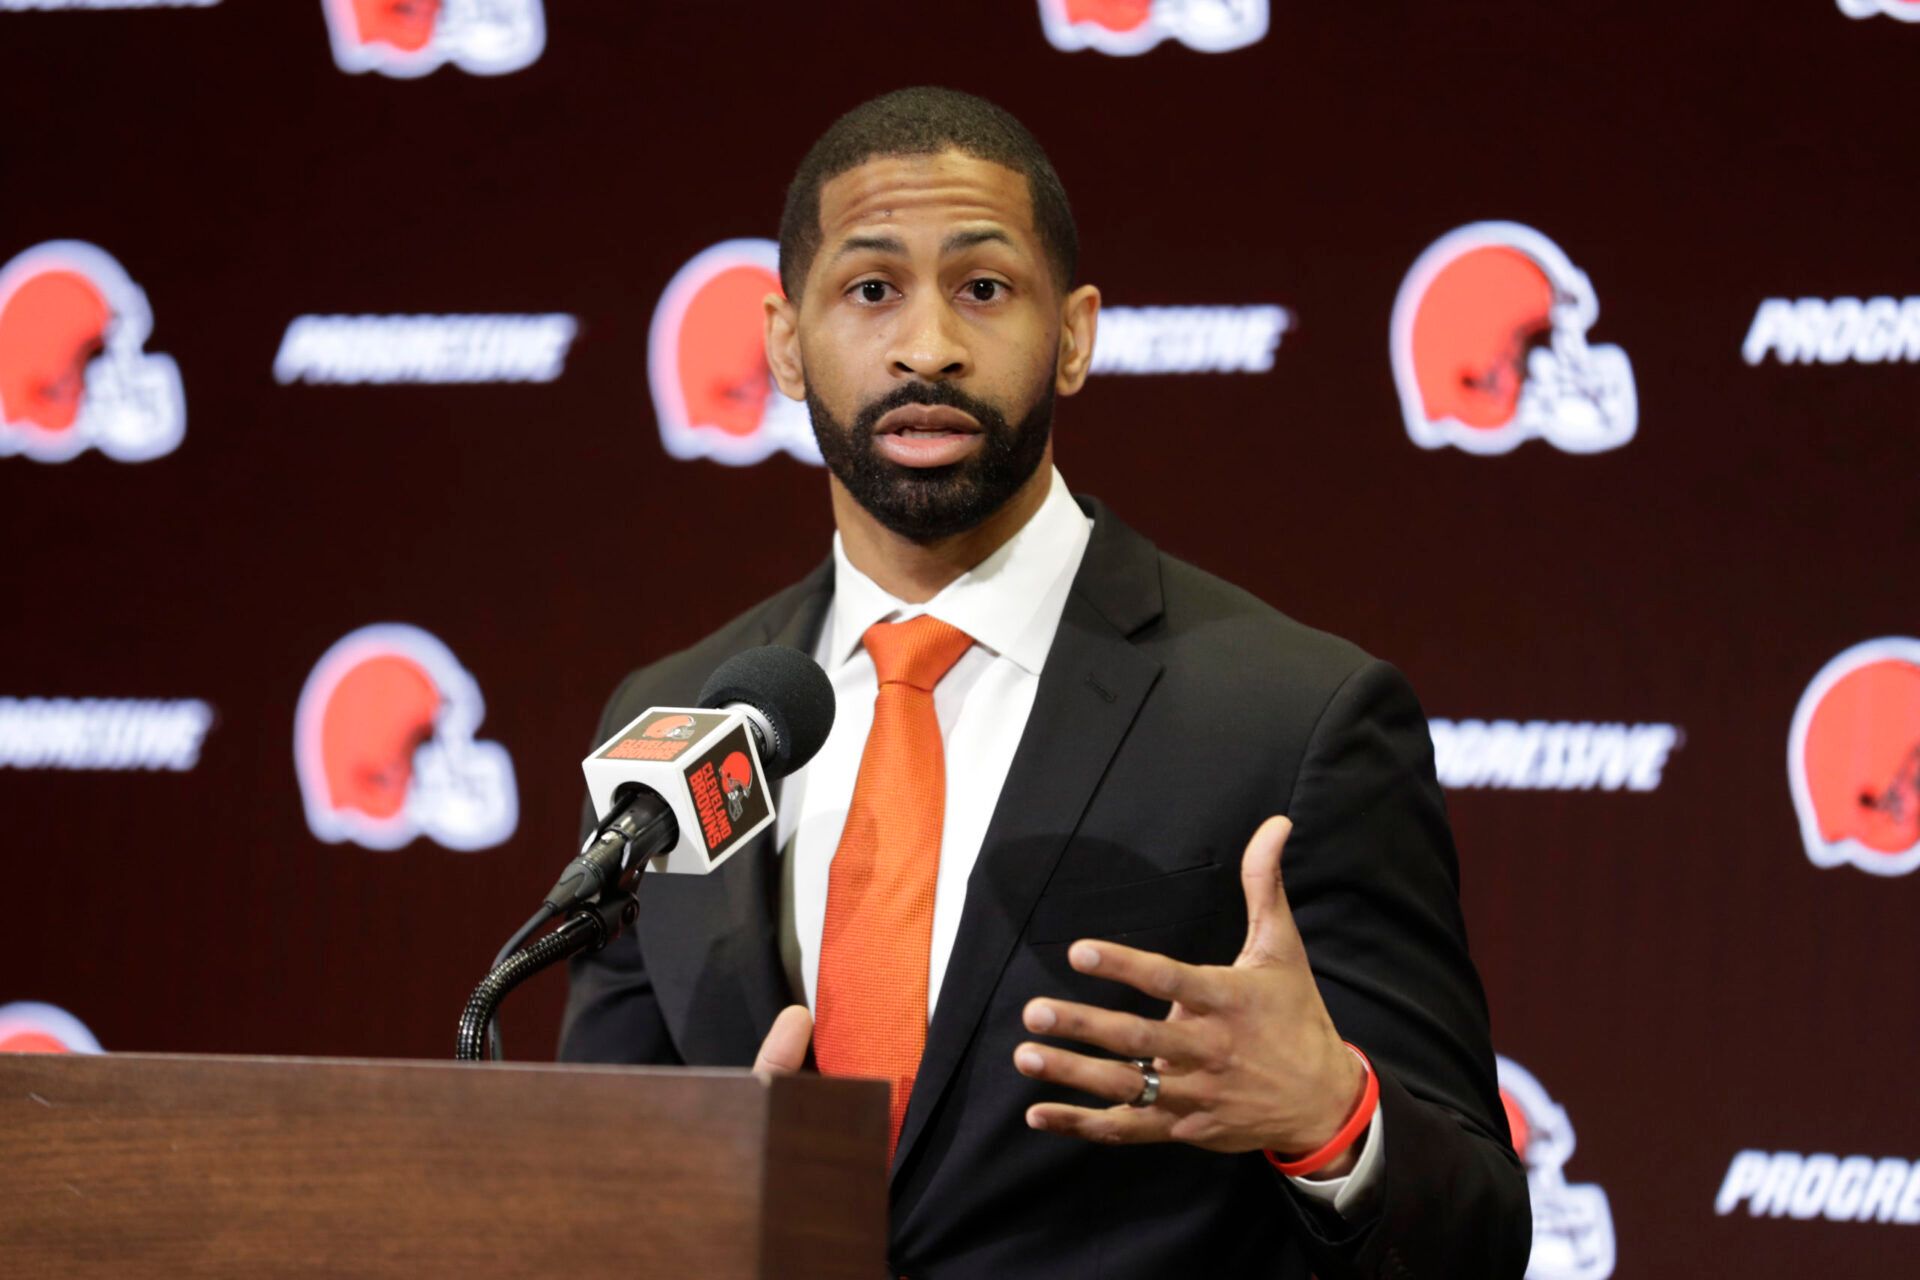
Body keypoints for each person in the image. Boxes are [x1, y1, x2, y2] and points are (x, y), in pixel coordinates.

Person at [560, 86, 1530, 1279]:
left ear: (1074, 335)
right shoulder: (678, 723)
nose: (927, 346)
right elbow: (589, 1193)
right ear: (783, 342)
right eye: (871, 290)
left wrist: (1332, 1117)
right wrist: (693, 1201)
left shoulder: (1293, 717)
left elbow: (1478, 1230)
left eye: (983, 287)